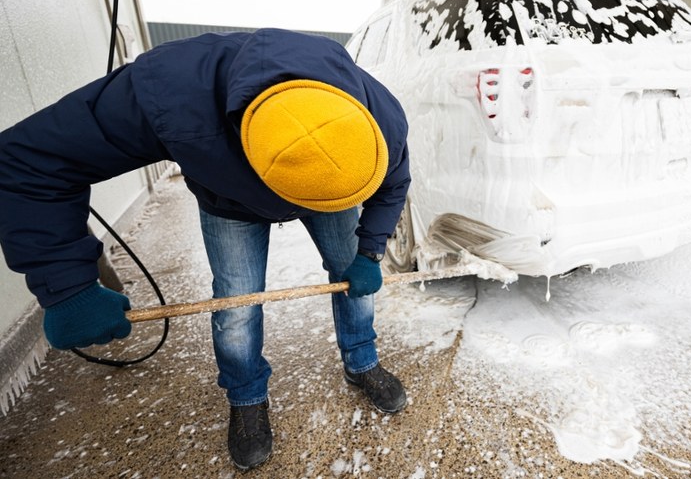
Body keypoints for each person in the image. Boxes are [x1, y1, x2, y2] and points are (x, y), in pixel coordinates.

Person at [0, 28, 411, 471]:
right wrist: (67, 286)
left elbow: (393, 186)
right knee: (236, 305)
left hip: (335, 185)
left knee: (353, 279)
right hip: (229, 201)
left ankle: (362, 360)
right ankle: (247, 395)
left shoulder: (379, 115)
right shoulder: (171, 91)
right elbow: (29, 159)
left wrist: (368, 253)